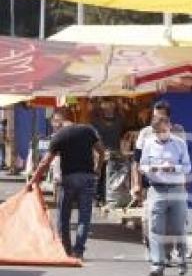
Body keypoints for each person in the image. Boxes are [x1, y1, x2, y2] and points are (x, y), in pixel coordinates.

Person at [27, 107, 106, 260]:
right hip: (88, 177)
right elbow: (101, 151)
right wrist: (98, 169)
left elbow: (45, 162)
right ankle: (79, 251)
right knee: (84, 216)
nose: (54, 125)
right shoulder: (88, 130)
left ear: (60, 121)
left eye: (55, 121)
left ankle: (66, 249)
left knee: (64, 215)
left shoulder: (59, 136)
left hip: (68, 178)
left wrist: (33, 180)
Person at [132, 101, 185, 263]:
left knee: (169, 222)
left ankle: (165, 254)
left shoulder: (178, 132)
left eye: (161, 117)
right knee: (149, 220)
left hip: (173, 184)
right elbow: (136, 161)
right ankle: (151, 248)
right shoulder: (145, 133)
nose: (156, 120)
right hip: (151, 185)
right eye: (154, 116)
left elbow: (183, 159)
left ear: (168, 118)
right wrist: (136, 183)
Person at [139, 116, 191, 276]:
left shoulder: (179, 144)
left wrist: (173, 168)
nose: (161, 134)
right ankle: (157, 264)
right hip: (157, 189)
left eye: (164, 130)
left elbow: (188, 167)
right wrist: (152, 169)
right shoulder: (149, 144)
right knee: (155, 228)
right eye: (158, 132)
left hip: (176, 189)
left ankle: (182, 261)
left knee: (178, 227)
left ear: (169, 127)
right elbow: (142, 165)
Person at [92, 98, 126, 205]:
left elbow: (125, 136)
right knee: (99, 175)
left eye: (111, 103)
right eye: (105, 103)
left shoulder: (121, 120)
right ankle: (98, 198)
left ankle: (111, 198)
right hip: (100, 152)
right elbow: (92, 139)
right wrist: (96, 152)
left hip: (116, 152)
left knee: (114, 176)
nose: (108, 106)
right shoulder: (95, 122)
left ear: (115, 104)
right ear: (101, 105)